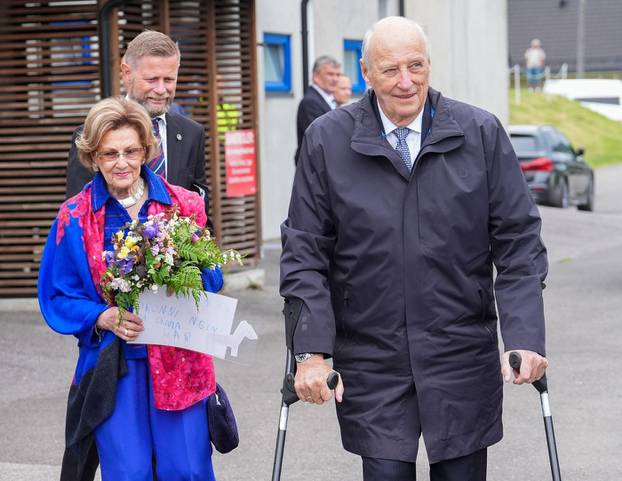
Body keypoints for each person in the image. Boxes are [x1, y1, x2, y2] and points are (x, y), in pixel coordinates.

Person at [280, 16, 549, 481]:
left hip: (459, 350)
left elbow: (518, 242)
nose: (406, 82)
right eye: (390, 70)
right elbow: (305, 250)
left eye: (416, 66)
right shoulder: (327, 139)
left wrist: (525, 336)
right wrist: (311, 353)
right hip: (373, 354)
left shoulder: (479, 133)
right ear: (366, 72)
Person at [39, 97, 223, 481]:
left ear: (145, 151)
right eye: (109, 154)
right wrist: (101, 316)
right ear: (93, 157)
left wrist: (181, 277)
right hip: (114, 365)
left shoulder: (182, 205)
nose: (121, 162)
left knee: (185, 469)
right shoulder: (75, 215)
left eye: (130, 151)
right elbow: (57, 294)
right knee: (129, 472)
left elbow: (213, 276)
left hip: (179, 358)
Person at [65, 30, 210, 223]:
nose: (161, 90)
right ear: (127, 73)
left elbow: (201, 209)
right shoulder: (91, 134)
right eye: (151, 80)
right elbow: (77, 215)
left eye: (169, 80)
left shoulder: (192, 133)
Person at [295, 55, 340, 163]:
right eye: (330, 74)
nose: (335, 79)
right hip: (315, 166)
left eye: (337, 75)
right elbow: (320, 137)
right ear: (315, 76)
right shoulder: (310, 102)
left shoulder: (328, 99)